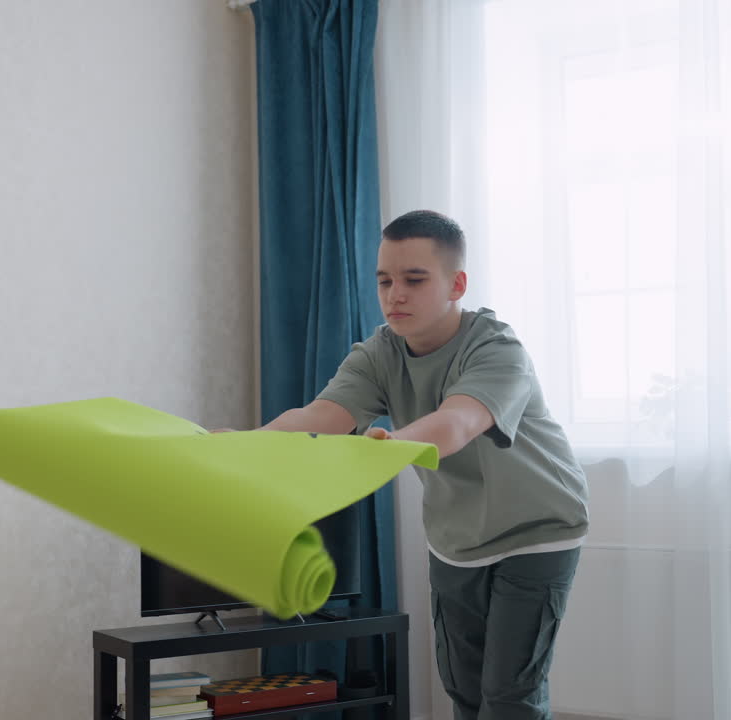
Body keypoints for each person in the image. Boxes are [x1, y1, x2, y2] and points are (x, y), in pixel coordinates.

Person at [224, 209, 588, 720]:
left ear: (456, 283)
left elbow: (457, 422)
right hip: (457, 538)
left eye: (414, 280)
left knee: (509, 697)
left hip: (537, 529)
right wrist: (244, 443)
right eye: (385, 281)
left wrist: (391, 443)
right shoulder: (380, 352)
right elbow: (322, 414)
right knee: (463, 690)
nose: (395, 295)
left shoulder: (497, 350)